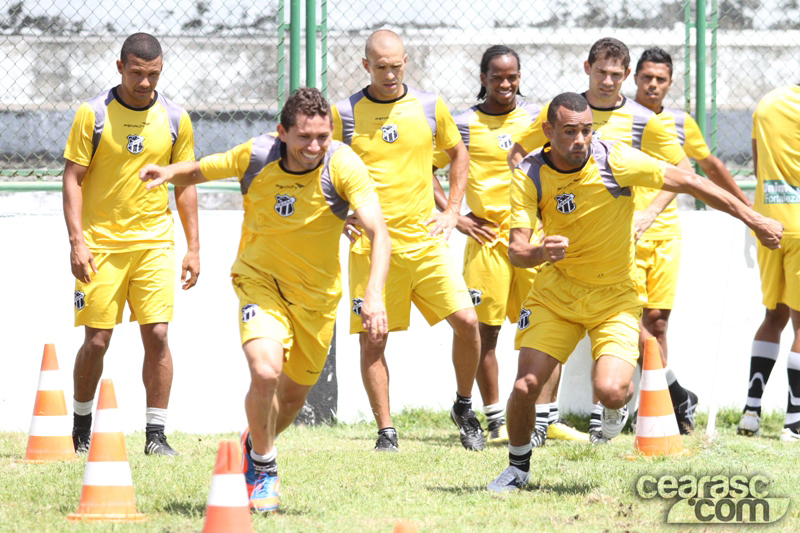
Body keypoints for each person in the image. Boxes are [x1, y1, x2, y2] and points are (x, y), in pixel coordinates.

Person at [487, 92, 782, 492]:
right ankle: (518, 470)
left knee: (610, 391)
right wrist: (540, 250)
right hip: (555, 296)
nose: (580, 140)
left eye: (587, 130)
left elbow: (692, 181)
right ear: (548, 131)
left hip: (614, 299)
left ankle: (614, 409)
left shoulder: (614, 160)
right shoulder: (530, 173)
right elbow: (517, 252)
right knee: (525, 386)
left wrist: (754, 219)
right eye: (570, 131)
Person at [139, 87, 390, 512]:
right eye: (304, 137)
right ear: (282, 133)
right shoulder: (256, 156)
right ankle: (265, 466)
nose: (314, 147)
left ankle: (255, 442)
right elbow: (201, 170)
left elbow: (379, 232)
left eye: (323, 137)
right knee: (265, 369)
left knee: (291, 399)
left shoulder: (343, 164)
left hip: (317, 299)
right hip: (261, 283)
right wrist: (166, 172)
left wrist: (374, 293)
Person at [508, 37, 696, 444]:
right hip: (568, 249)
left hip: (637, 238)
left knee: (650, 326)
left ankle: (617, 406)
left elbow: (684, 169)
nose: (608, 80)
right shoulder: (561, 109)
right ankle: (544, 419)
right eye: (601, 72)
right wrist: (537, 216)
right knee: (549, 339)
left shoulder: (644, 119)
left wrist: (648, 213)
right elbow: (521, 157)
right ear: (586, 68)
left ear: (625, 75)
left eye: (616, 74)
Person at [332, 29, 484, 452]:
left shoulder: (430, 105)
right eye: (381, 67)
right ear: (365, 66)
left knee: (468, 323)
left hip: (425, 242)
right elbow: (320, 167)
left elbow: (458, 154)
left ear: (405, 61)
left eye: (397, 65)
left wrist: (453, 210)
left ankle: (463, 405)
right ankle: (386, 431)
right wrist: (338, 214)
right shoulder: (344, 113)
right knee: (374, 338)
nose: (390, 74)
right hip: (372, 249)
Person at [431, 45, 587, 445]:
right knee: (485, 332)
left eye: (512, 76)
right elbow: (427, 168)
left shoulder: (540, 118)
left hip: (534, 239)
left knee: (550, 325)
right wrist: (458, 216)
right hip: (488, 242)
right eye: (497, 77)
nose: (505, 84)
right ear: (483, 78)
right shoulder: (463, 122)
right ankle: (495, 418)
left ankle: (546, 419)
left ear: (520, 77)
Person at [63, 33, 199, 456]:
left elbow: (185, 184)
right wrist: (76, 242)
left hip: (155, 241)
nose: (145, 83)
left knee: (157, 334)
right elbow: (72, 178)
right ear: (119, 67)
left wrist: (194, 246)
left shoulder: (176, 118)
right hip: (101, 245)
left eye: (153, 74)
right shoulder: (93, 115)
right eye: (137, 73)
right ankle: (82, 428)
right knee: (97, 340)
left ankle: (155, 436)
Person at [632, 47, 751, 433]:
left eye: (660, 79)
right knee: (623, 322)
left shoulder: (681, 123)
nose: (652, 85)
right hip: (622, 233)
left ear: (669, 83)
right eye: (647, 77)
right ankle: (674, 394)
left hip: (665, 233)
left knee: (658, 323)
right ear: (635, 77)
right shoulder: (619, 118)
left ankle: (660, 410)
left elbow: (709, 166)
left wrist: (746, 208)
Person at [736, 83, 800, 443]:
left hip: (768, 221)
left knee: (773, 315)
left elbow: (758, 163)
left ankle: (751, 410)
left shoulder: (768, 103)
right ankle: (794, 422)